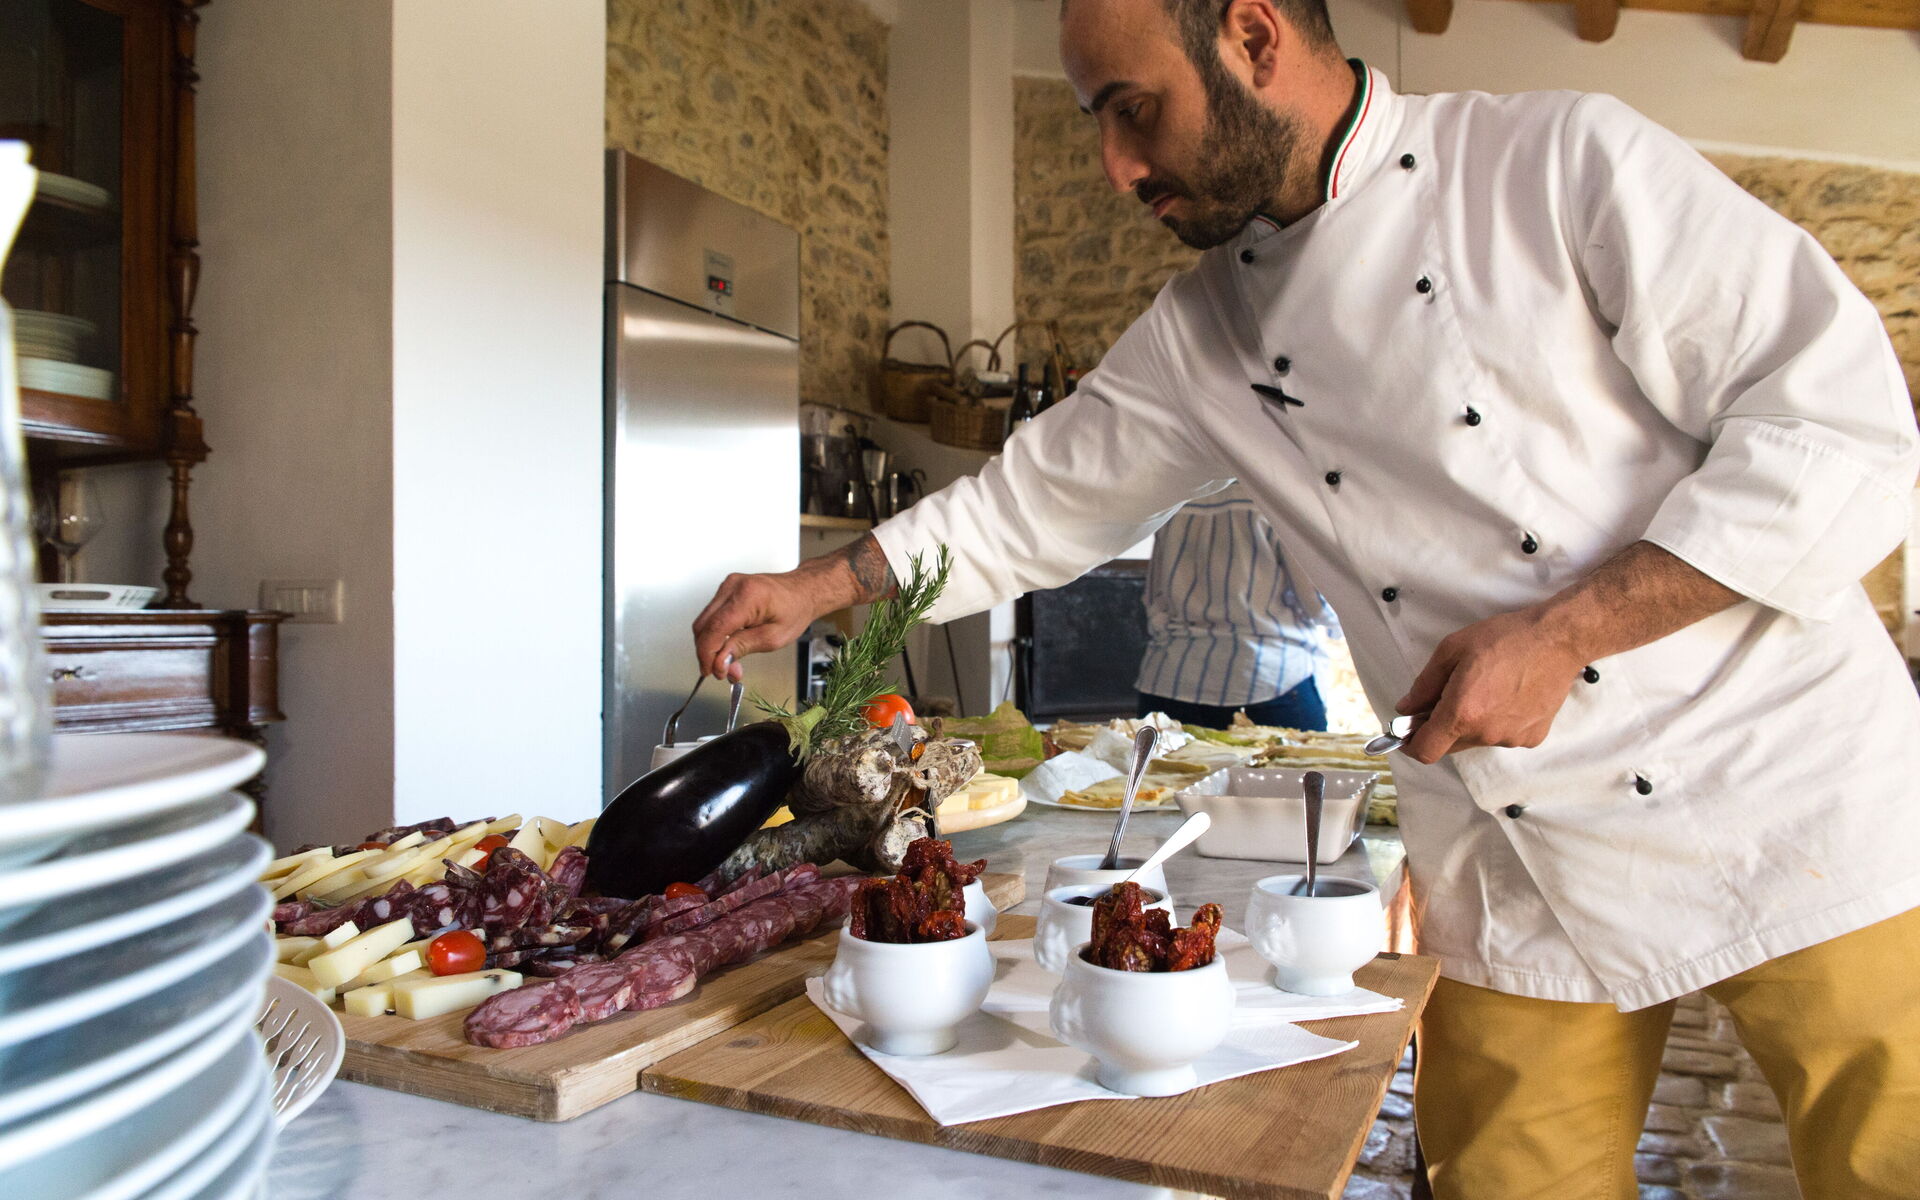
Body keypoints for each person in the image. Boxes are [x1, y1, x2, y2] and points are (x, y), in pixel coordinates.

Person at [692, 1, 1920, 1196]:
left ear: (1254, 36)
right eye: (1096, 122)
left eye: (1133, 109)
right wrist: (822, 582)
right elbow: (1029, 504)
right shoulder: (1201, 331)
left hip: (1782, 788)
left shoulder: (1555, 163)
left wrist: (1566, 635)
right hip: (1511, 851)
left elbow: (1840, 424)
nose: (1117, 165)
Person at [1135, 481, 1333, 730]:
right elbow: (1320, 603)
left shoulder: (1177, 498)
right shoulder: (1281, 502)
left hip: (1172, 677)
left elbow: (1154, 599)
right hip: (1269, 677)